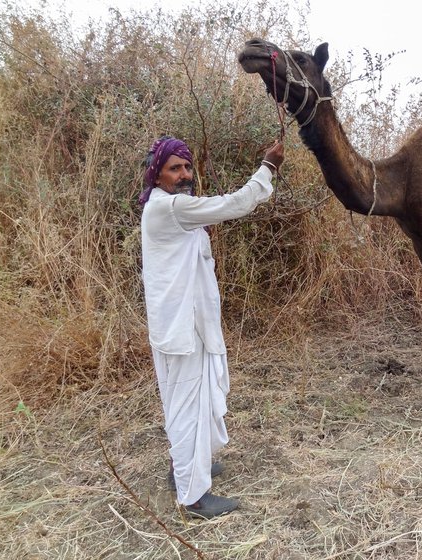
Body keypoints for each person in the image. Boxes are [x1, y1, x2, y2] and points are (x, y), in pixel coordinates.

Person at [139, 136, 284, 519]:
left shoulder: (168, 207)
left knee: (184, 404)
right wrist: (267, 167)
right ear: (158, 174)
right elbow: (234, 203)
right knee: (186, 409)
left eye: (187, 166)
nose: (184, 174)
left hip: (185, 326)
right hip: (182, 331)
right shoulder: (168, 208)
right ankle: (194, 497)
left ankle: (183, 468)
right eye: (175, 168)